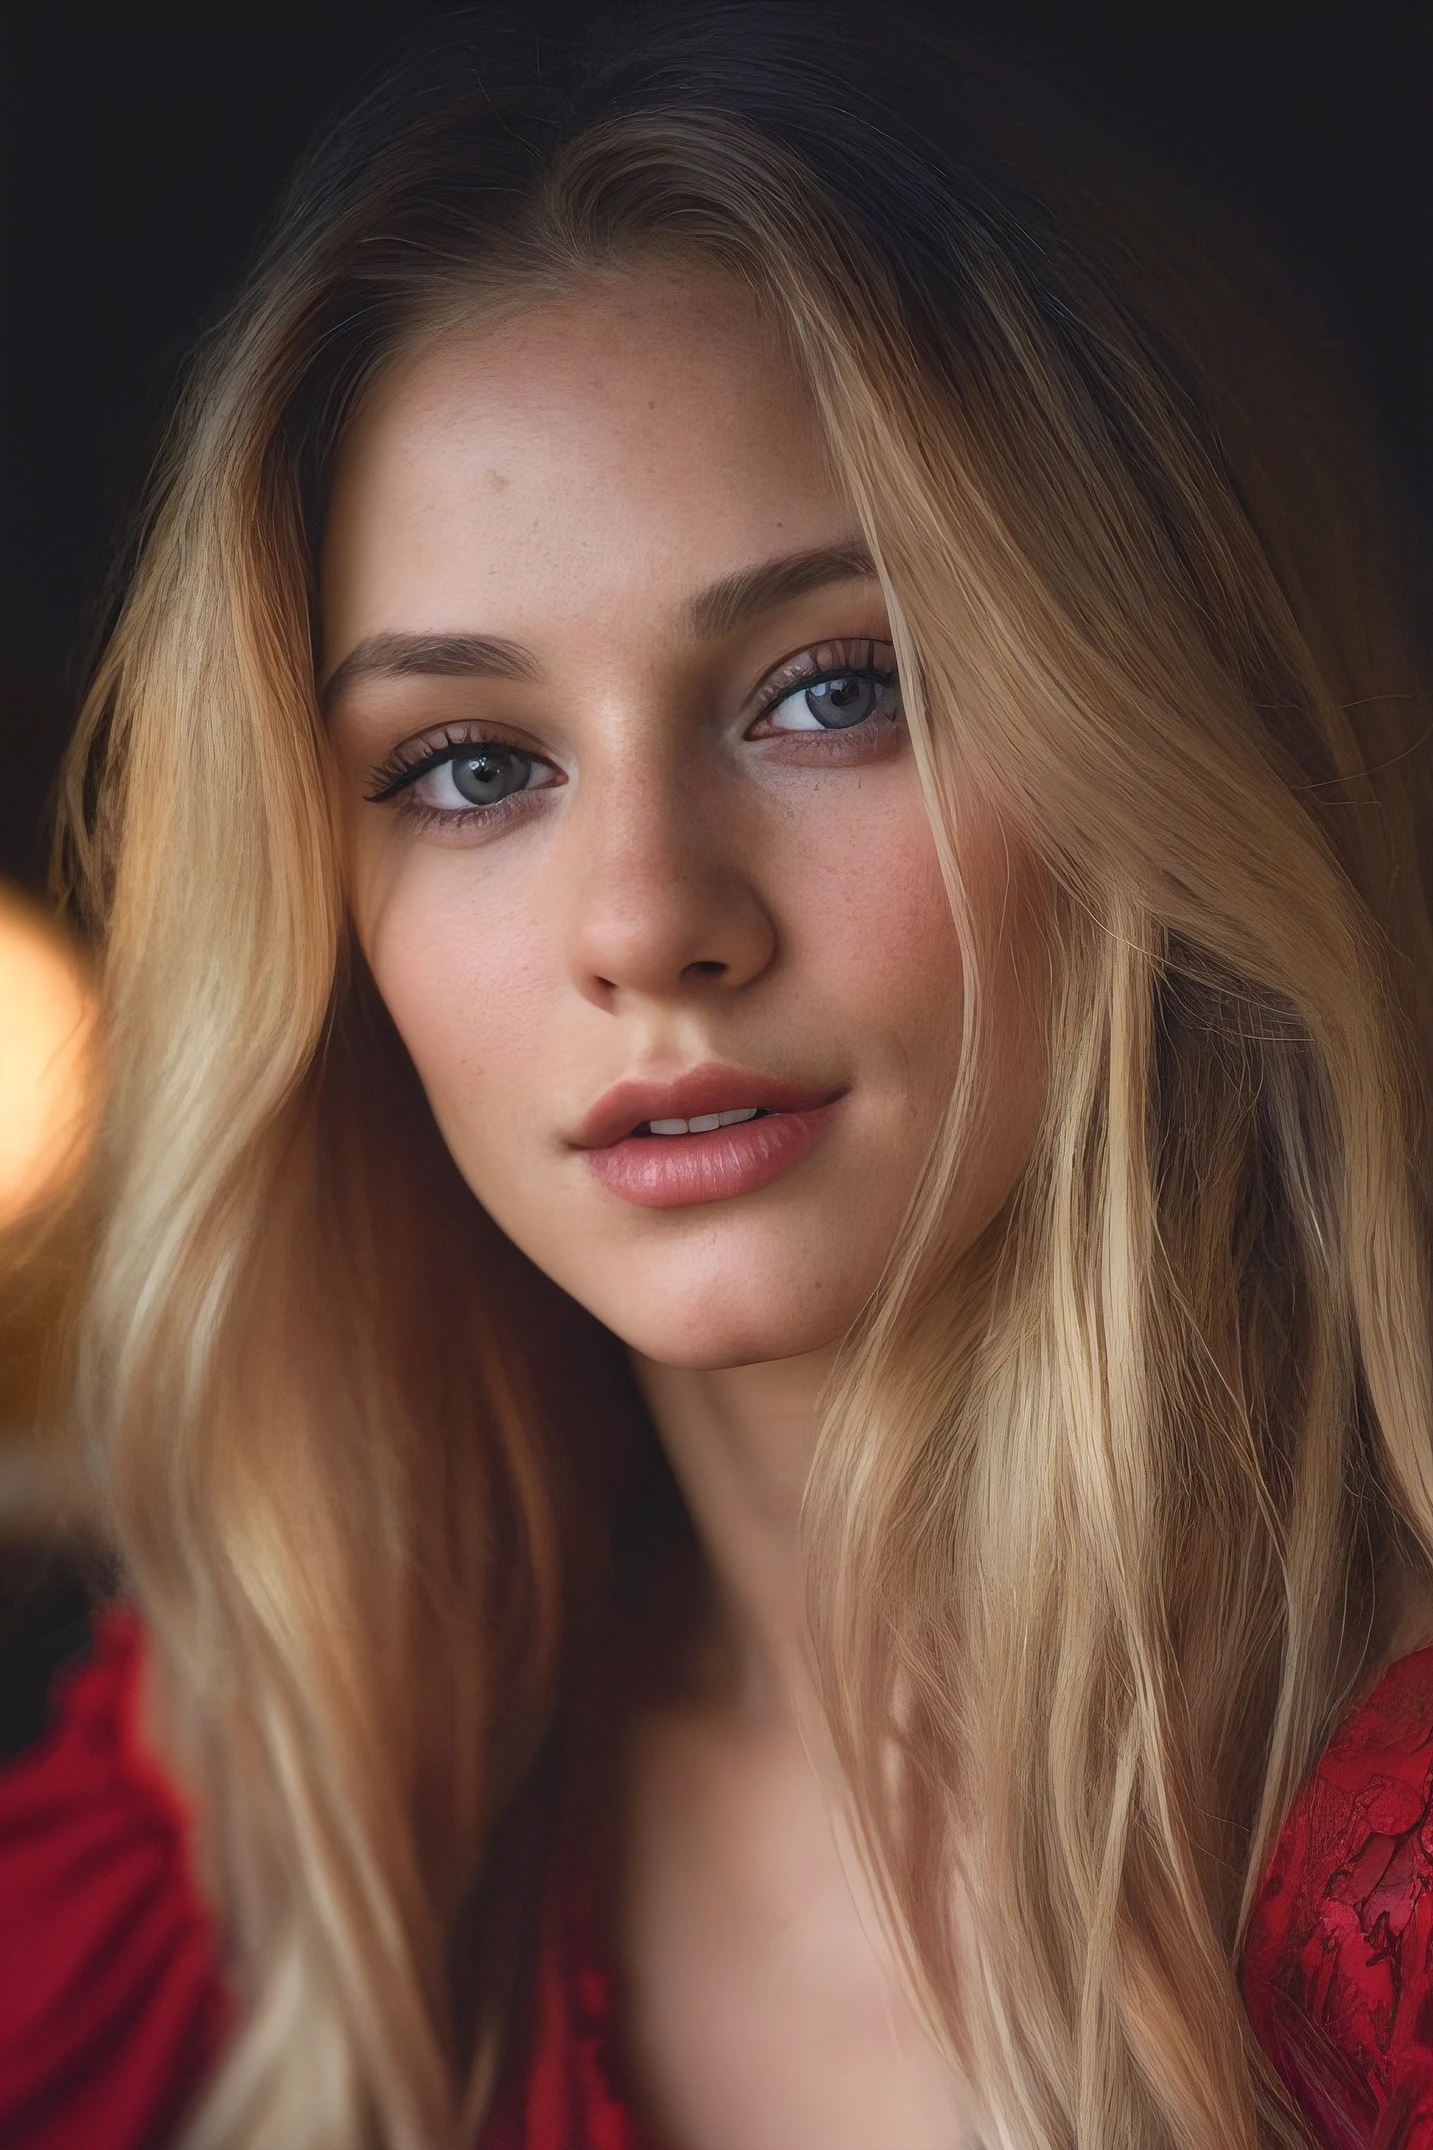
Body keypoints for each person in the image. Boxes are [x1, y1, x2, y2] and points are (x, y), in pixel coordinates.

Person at [2, 5, 1432, 2145]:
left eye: (830, 689)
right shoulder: (277, 1834)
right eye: (469, 764)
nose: (646, 919)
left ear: (1162, 733)